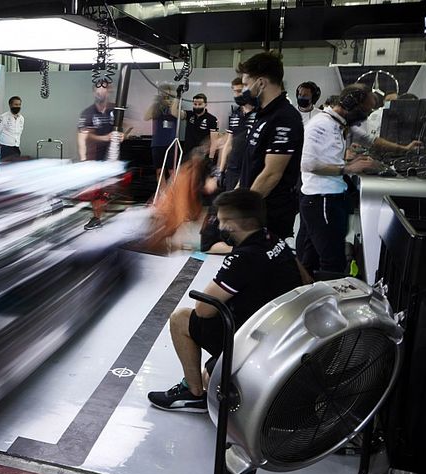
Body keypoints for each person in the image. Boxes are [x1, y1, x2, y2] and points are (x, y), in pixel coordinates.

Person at [147, 189, 306, 412]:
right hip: (283, 328)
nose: (219, 227)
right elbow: (305, 279)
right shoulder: (273, 238)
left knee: (181, 318)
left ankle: (193, 393)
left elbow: (203, 310)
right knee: (209, 375)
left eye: (221, 221)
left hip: (255, 339)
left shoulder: (243, 258)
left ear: (233, 224)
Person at [296, 84, 381, 276]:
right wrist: (348, 168)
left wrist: (347, 161)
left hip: (327, 198)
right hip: (322, 199)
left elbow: (326, 159)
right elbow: (308, 164)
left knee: (311, 258)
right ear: (351, 102)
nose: (365, 116)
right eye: (365, 110)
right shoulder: (321, 124)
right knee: (332, 262)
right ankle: (330, 302)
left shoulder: (337, 123)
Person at [237, 51, 304, 241]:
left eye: (246, 84)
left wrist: (243, 211)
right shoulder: (262, 115)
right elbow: (252, 162)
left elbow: (271, 174)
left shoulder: (284, 117)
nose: (244, 90)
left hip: (269, 213)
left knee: (264, 267)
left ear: (260, 83)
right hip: (256, 208)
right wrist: (235, 196)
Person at [145, 83, 180, 180]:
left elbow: (175, 113)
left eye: (168, 95)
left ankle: (172, 193)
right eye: (163, 95)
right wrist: (156, 103)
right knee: (159, 171)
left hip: (171, 143)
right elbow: (146, 117)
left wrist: (174, 102)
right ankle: (161, 193)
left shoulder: (175, 106)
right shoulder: (156, 108)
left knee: (172, 171)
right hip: (157, 143)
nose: (166, 98)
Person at [77, 82, 116, 162]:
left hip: (114, 152)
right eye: (98, 92)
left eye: (103, 92)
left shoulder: (116, 110)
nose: (100, 94)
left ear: (108, 93)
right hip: (95, 154)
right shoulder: (88, 113)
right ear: (94, 93)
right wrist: (83, 159)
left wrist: (124, 135)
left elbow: (128, 125)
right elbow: (82, 137)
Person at [184, 93, 218, 157]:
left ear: (205, 104)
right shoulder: (190, 115)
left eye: (200, 104)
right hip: (187, 152)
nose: (197, 106)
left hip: (201, 154)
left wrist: (211, 157)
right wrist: (177, 97)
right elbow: (174, 112)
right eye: (195, 104)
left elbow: (214, 140)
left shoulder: (212, 119)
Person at [0, 96, 25, 160]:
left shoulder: (21, 118)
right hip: (5, 148)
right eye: (16, 104)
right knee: (5, 168)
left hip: (16, 147)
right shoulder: (3, 117)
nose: (18, 106)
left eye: (19, 105)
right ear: (10, 105)